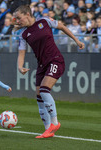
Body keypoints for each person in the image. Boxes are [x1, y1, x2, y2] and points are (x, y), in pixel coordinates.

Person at [14, 5, 84, 138]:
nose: (17, 21)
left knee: (44, 90)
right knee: (39, 97)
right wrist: (20, 66)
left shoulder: (44, 21)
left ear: (27, 14)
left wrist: (76, 40)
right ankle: (48, 130)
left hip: (55, 60)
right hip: (41, 65)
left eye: (19, 18)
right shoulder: (23, 34)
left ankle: (55, 123)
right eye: (16, 19)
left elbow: (62, 26)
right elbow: (21, 53)